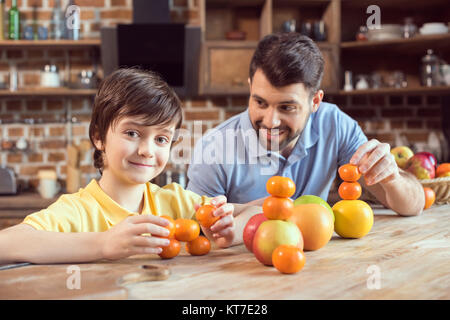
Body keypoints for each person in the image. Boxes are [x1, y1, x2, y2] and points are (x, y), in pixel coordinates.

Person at [0, 68, 260, 265]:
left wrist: (228, 229)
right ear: (98, 136)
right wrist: (103, 244)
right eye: (132, 133)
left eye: (161, 139)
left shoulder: (176, 201)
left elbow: (259, 211)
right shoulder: (78, 211)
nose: (147, 150)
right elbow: (6, 244)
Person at [187, 32, 424, 216]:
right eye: (260, 102)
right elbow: (192, 229)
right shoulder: (215, 146)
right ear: (250, 88)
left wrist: (392, 179)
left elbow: (413, 205)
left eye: (287, 107)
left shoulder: (336, 125)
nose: (270, 121)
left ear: (315, 101)